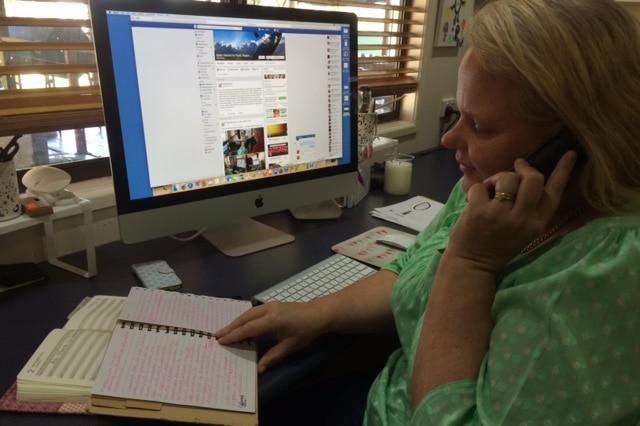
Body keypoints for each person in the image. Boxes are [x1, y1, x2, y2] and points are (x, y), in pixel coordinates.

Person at [216, 0, 640, 424]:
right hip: (380, 397)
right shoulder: (489, 189)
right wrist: (317, 312)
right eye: (458, 114)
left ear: (577, 146)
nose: (451, 139)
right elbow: (410, 269)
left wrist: (469, 263)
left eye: (483, 127)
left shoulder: (605, 273)